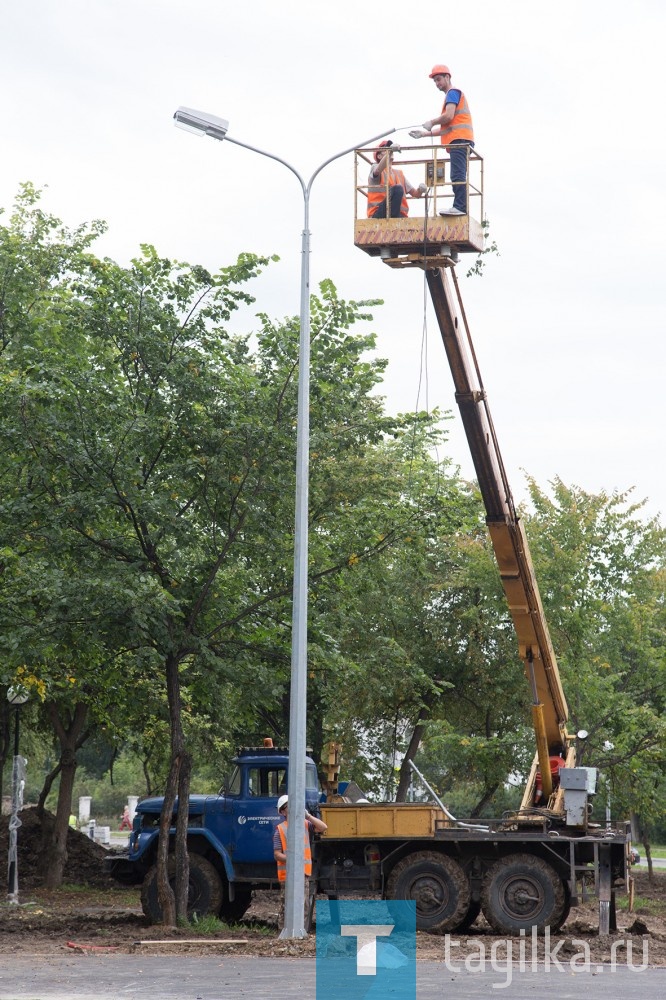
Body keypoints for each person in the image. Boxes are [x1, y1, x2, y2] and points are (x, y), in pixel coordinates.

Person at [409, 65, 474, 216]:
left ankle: (460, 207)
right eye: (435, 81)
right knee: (458, 174)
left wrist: (432, 121)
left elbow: (448, 116)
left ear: (447, 77)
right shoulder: (451, 96)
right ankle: (460, 206)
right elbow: (446, 128)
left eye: (439, 79)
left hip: (460, 140)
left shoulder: (452, 93)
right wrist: (424, 134)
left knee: (457, 175)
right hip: (458, 139)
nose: (437, 83)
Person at [273, 793, 327, 931]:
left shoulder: (305, 824)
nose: (291, 809)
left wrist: (308, 816)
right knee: (286, 905)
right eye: (287, 807)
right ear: (283, 811)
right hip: (287, 874)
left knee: (303, 905)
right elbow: (277, 854)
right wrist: (291, 859)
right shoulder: (280, 829)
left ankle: (299, 933)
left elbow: (323, 827)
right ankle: (283, 932)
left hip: (302, 873)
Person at [367, 140, 426, 219]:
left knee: (398, 188)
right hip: (378, 213)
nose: (389, 151)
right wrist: (390, 151)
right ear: (379, 156)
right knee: (398, 189)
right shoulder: (375, 167)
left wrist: (420, 190)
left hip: (398, 214)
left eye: (389, 149)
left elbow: (415, 194)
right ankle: (394, 219)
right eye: (386, 149)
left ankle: (395, 218)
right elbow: (377, 171)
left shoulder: (399, 174)